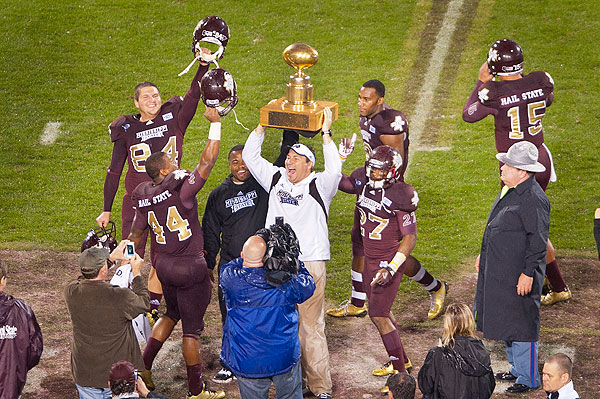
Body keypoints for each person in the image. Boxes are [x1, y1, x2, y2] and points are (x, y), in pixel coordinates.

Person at [96, 38, 216, 315]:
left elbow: (193, 95)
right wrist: (106, 208)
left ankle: (151, 303)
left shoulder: (175, 116)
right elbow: (114, 170)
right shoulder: (126, 127)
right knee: (129, 251)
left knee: (162, 257)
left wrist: (202, 66)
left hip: (169, 198)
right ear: (136, 101)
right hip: (137, 201)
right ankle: (122, 298)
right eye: (147, 97)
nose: (153, 100)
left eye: (156, 95)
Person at [327, 79, 448, 335]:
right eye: (360, 98)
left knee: (391, 253)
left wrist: (381, 191)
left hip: (388, 193)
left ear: (379, 100)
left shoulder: (389, 123)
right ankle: (357, 301)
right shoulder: (367, 118)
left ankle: (435, 286)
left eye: (366, 99)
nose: (361, 103)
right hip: (371, 185)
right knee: (358, 242)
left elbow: (394, 165)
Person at [462, 38, 571, 306]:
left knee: (520, 228)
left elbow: (469, 113)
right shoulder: (541, 80)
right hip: (541, 158)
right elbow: (548, 100)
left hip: (519, 169)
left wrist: (480, 82)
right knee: (527, 224)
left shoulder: (493, 92)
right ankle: (553, 284)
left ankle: (549, 284)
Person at [242, 107, 340, 399]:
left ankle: (320, 388)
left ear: (309, 165)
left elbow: (335, 170)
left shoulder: (319, 185)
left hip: (309, 263)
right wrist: (261, 127)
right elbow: (250, 156)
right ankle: (289, 380)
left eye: (296, 159)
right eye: (288, 158)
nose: (289, 162)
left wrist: (325, 135)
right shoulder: (275, 179)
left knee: (310, 327)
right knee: (278, 324)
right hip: (274, 264)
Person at [128, 108, 224, 399]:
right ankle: (196, 390)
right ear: (165, 171)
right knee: (192, 332)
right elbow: (207, 162)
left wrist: (129, 257)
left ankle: (143, 368)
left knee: (170, 314)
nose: (175, 162)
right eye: (171, 162)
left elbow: (135, 234)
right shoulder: (180, 190)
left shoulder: (144, 194)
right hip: (190, 267)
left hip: (164, 266)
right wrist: (216, 126)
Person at [338, 145, 418, 392]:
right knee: (381, 311)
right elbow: (339, 183)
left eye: (379, 171)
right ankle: (401, 360)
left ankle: (401, 375)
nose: (373, 174)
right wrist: (338, 157)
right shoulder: (363, 180)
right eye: (371, 168)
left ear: (392, 172)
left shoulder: (402, 194)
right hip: (370, 259)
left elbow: (409, 238)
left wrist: (392, 267)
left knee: (379, 315)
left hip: (386, 262)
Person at [475, 141, 550, 394]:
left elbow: (539, 242)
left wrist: (528, 273)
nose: (502, 167)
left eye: (507, 164)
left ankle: (528, 378)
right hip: (502, 269)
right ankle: (517, 369)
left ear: (522, 171)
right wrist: (483, 255)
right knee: (508, 319)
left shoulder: (532, 199)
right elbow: (498, 226)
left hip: (519, 273)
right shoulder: (512, 188)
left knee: (521, 323)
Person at [220, 227, 315, 399]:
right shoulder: (288, 283)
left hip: (248, 360)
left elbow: (233, 263)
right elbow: (308, 285)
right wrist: (292, 262)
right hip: (284, 357)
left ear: (242, 254)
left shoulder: (230, 278)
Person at [202, 144, 269, 383]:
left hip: (263, 265)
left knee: (263, 313)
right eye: (235, 162)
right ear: (229, 165)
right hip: (232, 267)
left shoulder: (264, 185)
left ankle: (263, 360)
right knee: (230, 314)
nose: (241, 167)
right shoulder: (219, 194)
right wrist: (209, 263)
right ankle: (230, 362)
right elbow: (210, 231)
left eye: (245, 161)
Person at [65, 243, 149, 399]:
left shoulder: (71, 292)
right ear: (103, 269)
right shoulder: (119, 296)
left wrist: (109, 260)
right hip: (119, 376)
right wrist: (137, 273)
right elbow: (144, 302)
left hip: (85, 373)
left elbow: (83, 278)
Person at [417, 303, 495, 399]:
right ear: (470, 322)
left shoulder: (438, 353)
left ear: (448, 324)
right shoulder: (481, 351)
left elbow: (425, 386)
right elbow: (490, 385)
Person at [0, 259, 43, 399]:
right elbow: (34, 350)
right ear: (2, 280)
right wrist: (17, 371)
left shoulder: (20, 309)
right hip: (10, 388)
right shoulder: (21, 310)